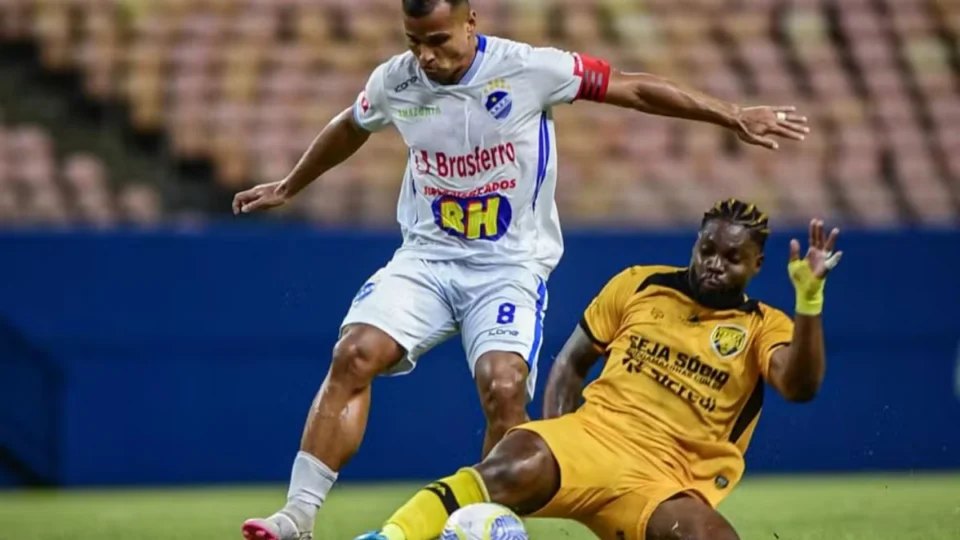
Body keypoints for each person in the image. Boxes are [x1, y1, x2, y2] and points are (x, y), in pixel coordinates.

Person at [234, 0, 811, 536]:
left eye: (438, 40)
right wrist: (290, 185)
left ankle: (485, 527)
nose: (426, 55)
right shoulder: (396, 80)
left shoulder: (530, 69)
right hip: (427, 257)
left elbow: (633, 89)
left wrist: (732, 114)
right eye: (414, 42)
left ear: (470, 22)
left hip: (507, 268)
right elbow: (350, 126)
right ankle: (297, 515)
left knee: (504, 388)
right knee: (353, 353)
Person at [353, 199, 842, 540]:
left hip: (667, 481)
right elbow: (571, 363)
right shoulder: (639, 284)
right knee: (509, 463)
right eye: (707, 250)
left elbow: (799, 387)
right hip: (594, 438)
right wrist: (559, 435)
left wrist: (809, 300)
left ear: (757, 264)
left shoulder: (763, 326)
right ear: (695, 243)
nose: (715, 264)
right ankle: (388, 536)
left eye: (732, 258)